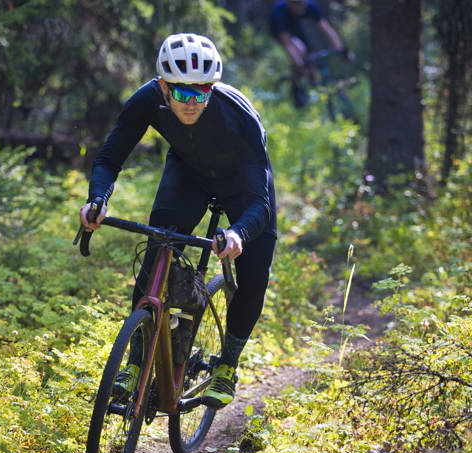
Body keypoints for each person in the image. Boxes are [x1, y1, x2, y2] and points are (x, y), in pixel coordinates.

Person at [79, 33, 277, 410]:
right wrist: (98, 200)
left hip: (244, 187)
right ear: (163, 87)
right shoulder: (147, 99)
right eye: (182, 93)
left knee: (254, 275)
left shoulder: (240, 118)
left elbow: (259, 204)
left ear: (212, 87)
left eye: (201, 92)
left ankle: (227, 366)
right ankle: (136, 364)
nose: (192, 103)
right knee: (158, 250)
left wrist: (237, 233)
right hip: (189, 174)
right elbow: (109, 159)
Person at [269, 0, 351, 107]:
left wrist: (341, 50)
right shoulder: (278, 11)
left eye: (302, 5)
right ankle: (296, 88)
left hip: (296, 28)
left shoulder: (310, 6)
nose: (300, 8)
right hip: (280, 32)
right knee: (299, 51)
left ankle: (313, 91)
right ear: (290, 3)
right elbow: (287, 43)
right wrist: (299, 63)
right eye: (296, 5)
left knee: (310, 58)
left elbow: (326, 29)